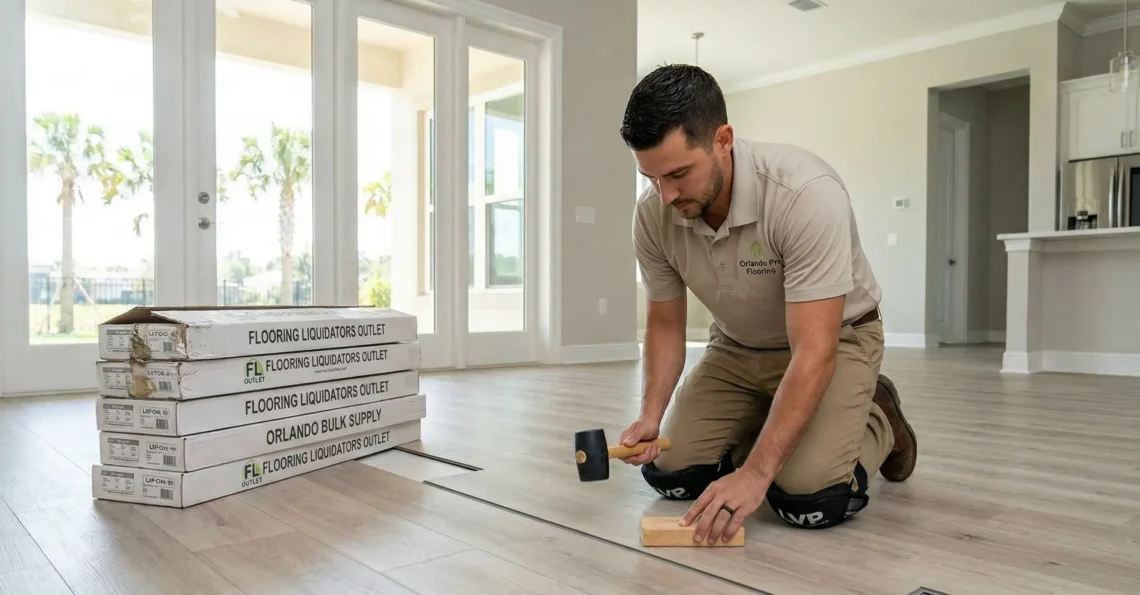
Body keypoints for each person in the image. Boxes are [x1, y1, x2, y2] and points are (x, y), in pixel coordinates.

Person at [617, 63, 918, 545]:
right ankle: (780, 425)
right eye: (650, 177)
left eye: (678, 174)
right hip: (736, 348)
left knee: (805, 500)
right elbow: (666, 325)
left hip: (835, 342)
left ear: (723, 140)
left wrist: (758, 473)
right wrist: (651, 414)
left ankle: (880, 418)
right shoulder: (653, 213)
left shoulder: (805, 193)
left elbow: (814, 351)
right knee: (673, 474)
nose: (666, 195)